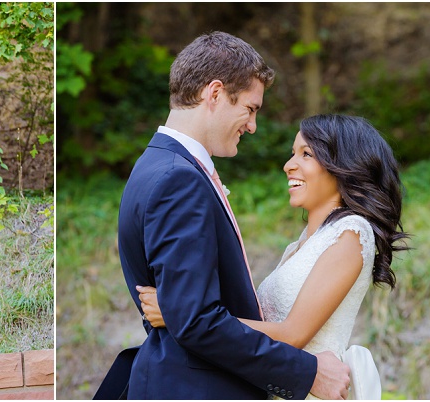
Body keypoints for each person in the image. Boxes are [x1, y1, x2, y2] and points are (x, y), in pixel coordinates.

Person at [109, 31, 351, 400]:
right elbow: (197, 322)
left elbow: (186, 313)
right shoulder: (179, 179)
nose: (252, 125)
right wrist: (308, 374)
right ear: (216, 93)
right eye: (250, 109)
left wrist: (175, 311)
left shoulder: (154, 165)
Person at [138, 114, 411, 399]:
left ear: (343, 166)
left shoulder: (350, 235)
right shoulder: (301, 246)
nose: (289, 165)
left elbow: (292, 334)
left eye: (306, 154)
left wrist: (181, 313)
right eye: (292, 153)